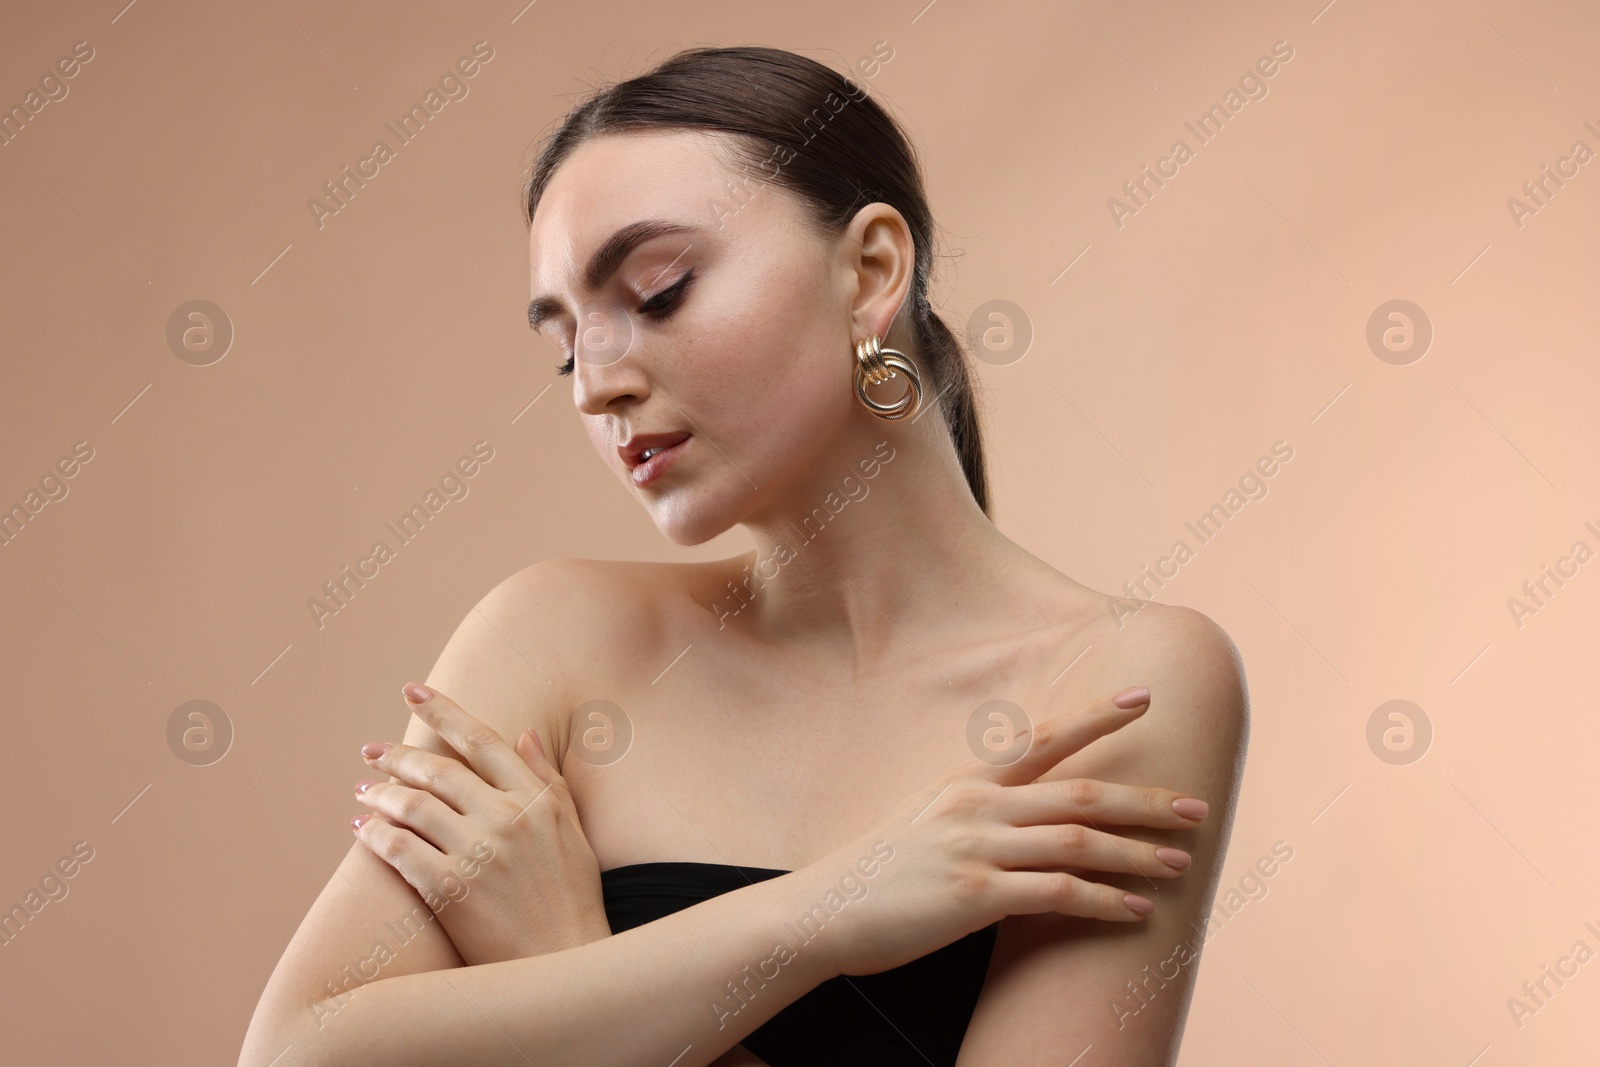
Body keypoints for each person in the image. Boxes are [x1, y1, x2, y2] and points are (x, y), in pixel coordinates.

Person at [239, 45, 1248, 1067]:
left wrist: (560, 949)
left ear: (869, 272)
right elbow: (294, 1054)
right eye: (564, 343)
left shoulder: (1121, 683)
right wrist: (828, 915)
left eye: (659, 291)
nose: (593, 386)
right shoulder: (556, 635)